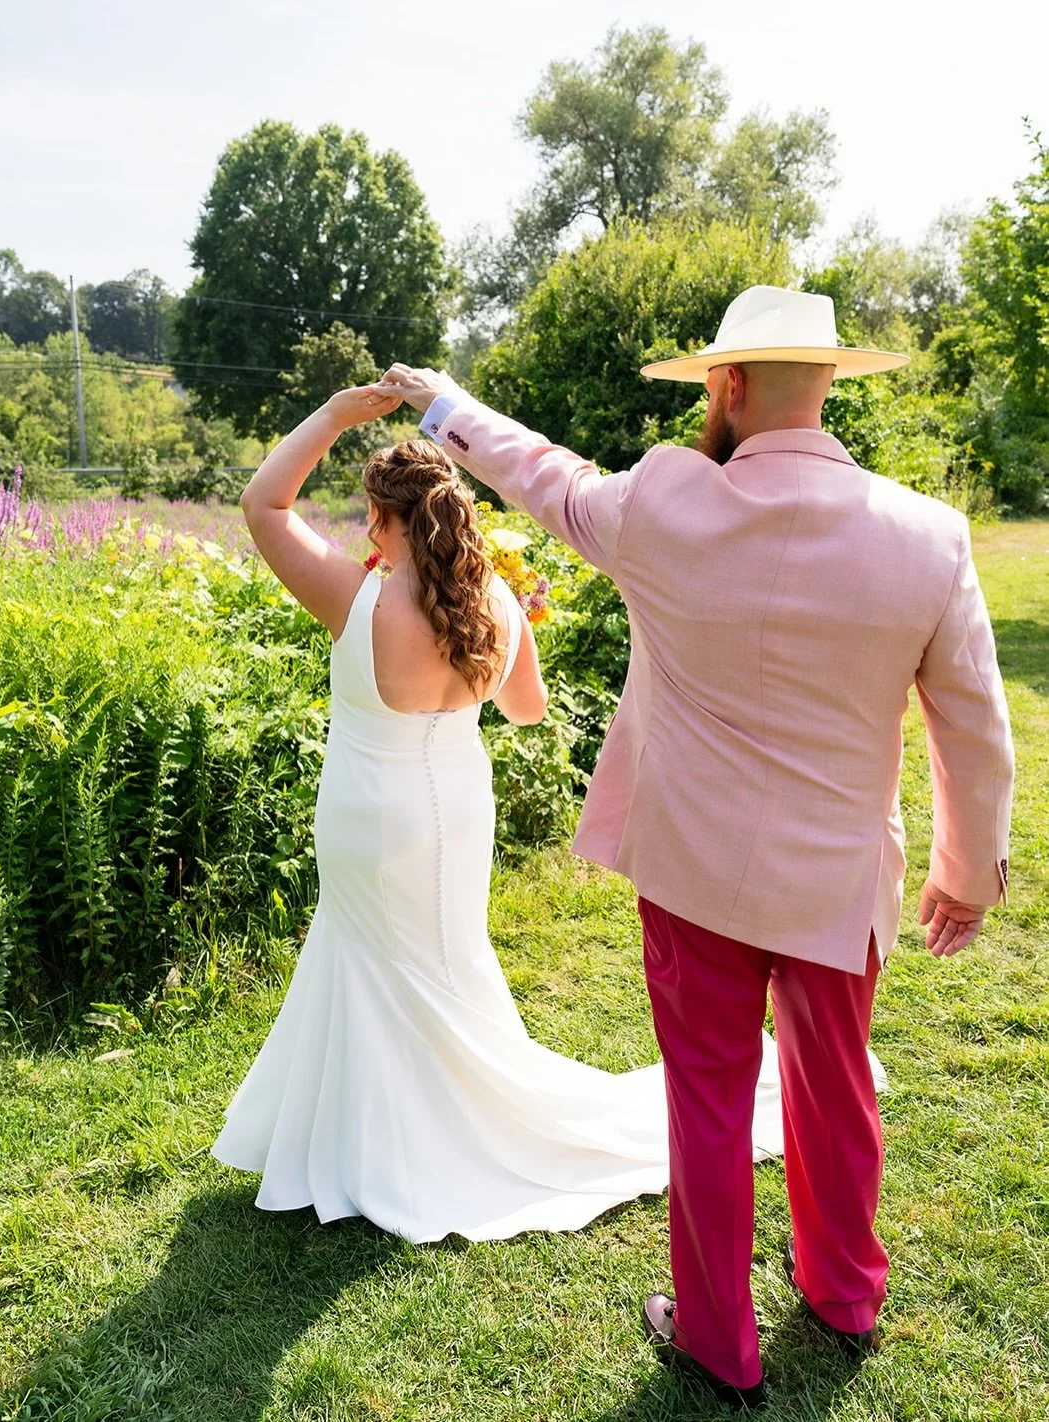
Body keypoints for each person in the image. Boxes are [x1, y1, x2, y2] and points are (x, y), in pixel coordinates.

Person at [380, 284, 1014, 1410]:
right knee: (834, 1091)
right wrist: (963, 874)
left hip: (695, 877)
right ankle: (845, 1294)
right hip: (834, 881)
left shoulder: (662, 502)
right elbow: (970, 723)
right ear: (826, 387)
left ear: (723, 385)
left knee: (710, 1104)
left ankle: (718, 1339)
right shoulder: (927, 535)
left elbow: (540, 472)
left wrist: (440, 406)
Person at [210, 384, 812, 1242]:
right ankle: (422, 1118)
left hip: (368, 812)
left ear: (387, 522)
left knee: (373, 960)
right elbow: (527, 711)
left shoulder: (357, 600)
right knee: (445, 956)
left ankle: (376, 1140)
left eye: (369, 522)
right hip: (456, 805)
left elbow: (263, 501)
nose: (362, 537)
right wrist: (512, 630)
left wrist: (340, 413)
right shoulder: (493, 604)